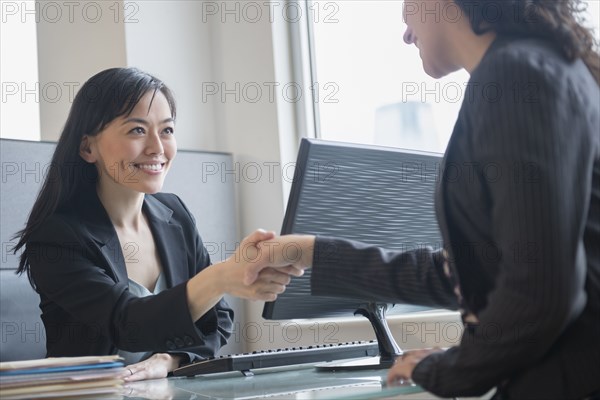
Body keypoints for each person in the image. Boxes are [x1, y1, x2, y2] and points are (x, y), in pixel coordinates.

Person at [245, 0, 600, 399]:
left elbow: (541, 294)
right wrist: (310, 251)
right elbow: (465, 271)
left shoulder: (515, 76)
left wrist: (445, 370)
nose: (406, 30)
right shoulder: (536, 68)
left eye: (406, 5)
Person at [12, 67, 300, 382]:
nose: (157, 148)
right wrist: (221, 277)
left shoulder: (173, 213)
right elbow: (127, 324)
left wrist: (171, 359)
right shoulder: (57, 236)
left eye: (166, 130)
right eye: (137, 130)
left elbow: (216, 321)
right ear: (87, 148)